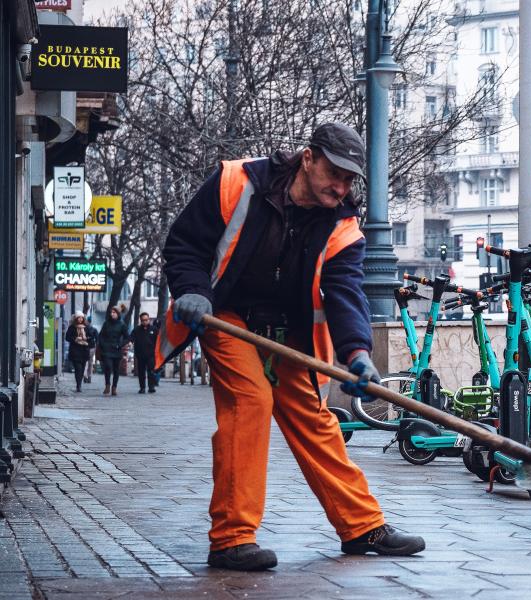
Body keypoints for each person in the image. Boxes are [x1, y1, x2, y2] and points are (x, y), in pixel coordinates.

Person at [158, 122, 424, 572]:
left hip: (289, 334)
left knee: (314, 420)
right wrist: (192, 288)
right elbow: (185, 244)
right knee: (250, 401)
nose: (340, 187)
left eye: (348, 180)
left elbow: (344, 292)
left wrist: (358, 353)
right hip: (228, 317)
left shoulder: (343, 225)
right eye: (334, 173)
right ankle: (232, 538)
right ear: (308, 157)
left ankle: (361, 526)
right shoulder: (236, 183)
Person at [97, 306, 128, 396]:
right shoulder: (106, 323)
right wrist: (102, 344)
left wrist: (120, 345)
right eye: (111, 312)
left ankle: (114, 388)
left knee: (116, 370)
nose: (112, 314)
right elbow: (101, 335)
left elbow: (127, 337)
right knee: (108, 367)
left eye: (114, 312)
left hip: (116, 349)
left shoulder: (122, 325)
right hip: (106, 349)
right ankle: (107, 385)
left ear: (118, 314)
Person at [65, 312, 96, 392]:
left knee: (82, 369)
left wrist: (86, 338)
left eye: (81, 318)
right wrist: (75, 338)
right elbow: (67, 337)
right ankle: (78, 385)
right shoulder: (72, 327)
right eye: (78, 318)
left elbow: (92, 337)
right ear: (75, 318)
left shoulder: (87, 327)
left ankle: (79, 383)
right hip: (75, 350)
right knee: (78, 368)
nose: (80, 319)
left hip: (84, 350)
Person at [131, 312, 158, 393]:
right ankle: (142, 387)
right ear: (141, 321)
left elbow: (158, 341)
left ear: (149, 319)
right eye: (143, 320)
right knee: (141, 372)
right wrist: (129, 342)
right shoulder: (136, 330)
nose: (145, 322)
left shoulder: (154, 329)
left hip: (151, 355)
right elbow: (131, 338)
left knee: (151, 371)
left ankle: (151, 387)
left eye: (146, 320)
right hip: (140, 355)